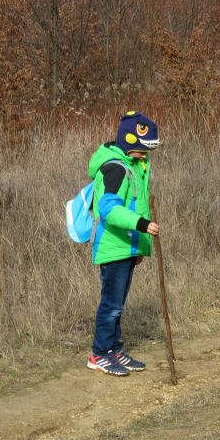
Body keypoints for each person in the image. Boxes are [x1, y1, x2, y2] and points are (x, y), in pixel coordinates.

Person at [87, 111, 161, 376]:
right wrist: (141, 225)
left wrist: (138, 247)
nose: (145, 154)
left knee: (118, 305)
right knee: (111, 305)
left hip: (127, 246)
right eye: (143, 148)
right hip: (113, 247)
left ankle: (114, 350)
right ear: (129, 142)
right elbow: (109, 209)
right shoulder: (116, 169)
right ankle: (99, 354)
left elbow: (136, 203)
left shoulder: (134, 165)